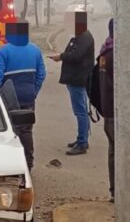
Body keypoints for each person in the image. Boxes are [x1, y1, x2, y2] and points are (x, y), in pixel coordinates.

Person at [0, 21, 47, 171]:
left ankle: (11, 163)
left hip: (9, 99)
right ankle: (28, 162)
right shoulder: (35, 50)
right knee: (26, 130)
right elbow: (41, 74)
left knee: (10, 130)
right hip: (28, 97)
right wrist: (34, 91)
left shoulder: (4, 51)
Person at [49, 11, 95, 155]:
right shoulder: (78, 37)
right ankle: (81, 139)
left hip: (78, 79)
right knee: (80, 110)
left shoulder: (85, 38)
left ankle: (82, 143)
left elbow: (76, 56)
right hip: (74, 78)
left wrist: (61, 56)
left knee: (80, 111)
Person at [97, 18, 115, 200]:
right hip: (116, 112)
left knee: (113, 151)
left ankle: (114, 191)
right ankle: (118, 191)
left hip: (107, 109)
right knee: (119, 152)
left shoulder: (105, 51)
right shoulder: (116, 54)